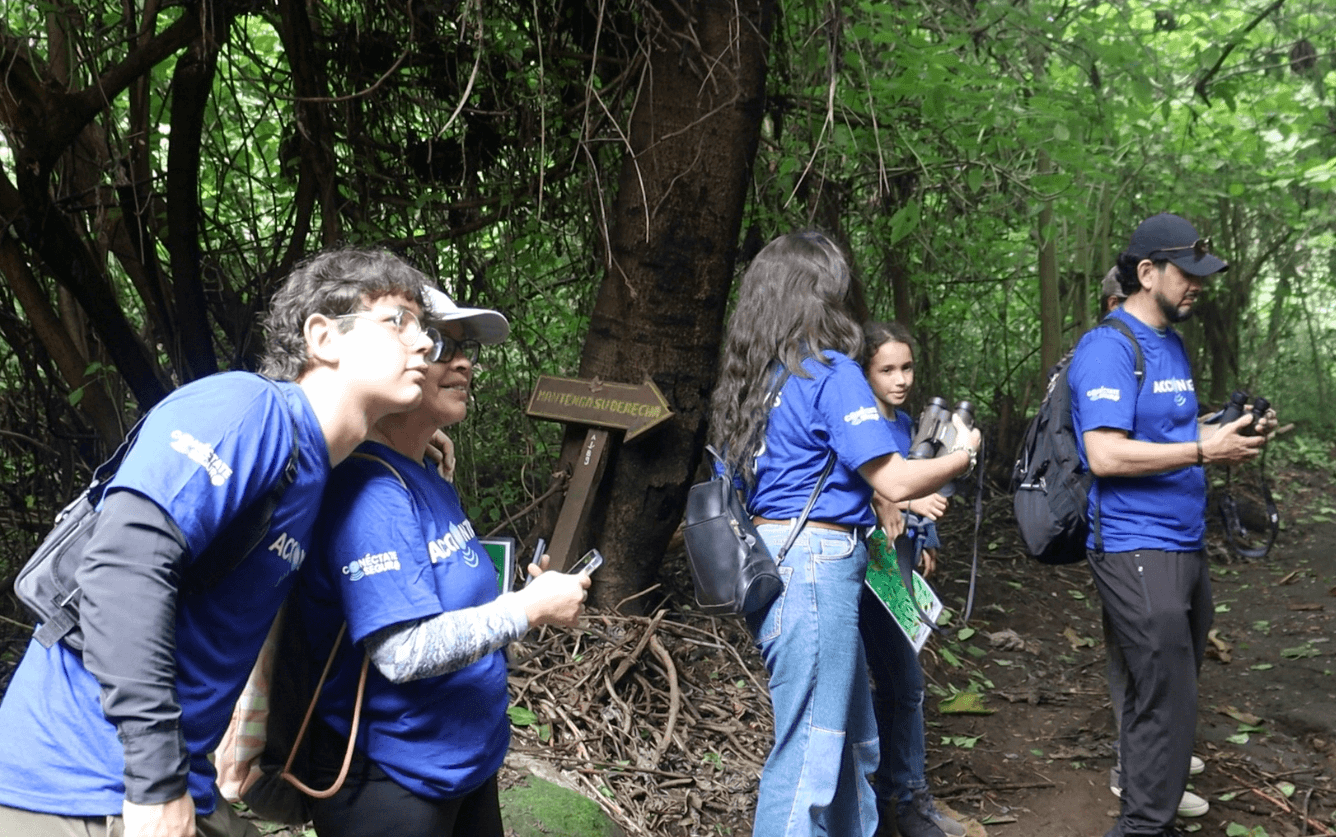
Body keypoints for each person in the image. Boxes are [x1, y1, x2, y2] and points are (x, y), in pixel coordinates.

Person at [0, 248, 439, 837]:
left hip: (181, 779)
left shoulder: (316, 468)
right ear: (322, 338)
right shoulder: (247, 410)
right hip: (85, 785)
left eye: (425, 329)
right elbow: (121, 566)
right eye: (398, 321)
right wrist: (156, 784)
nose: (424, 344)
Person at [707, 231, 981, 837]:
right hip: (815, 571)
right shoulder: (829, 372)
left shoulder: (756, 381)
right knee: (809, 755)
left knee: (856, 739)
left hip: (770, 563)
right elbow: (898, 478)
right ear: (823, 295)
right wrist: (961, 457)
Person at [292, 287, 590, 837]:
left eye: (467, 348)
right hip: (394, 783)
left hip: (465, 768)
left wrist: (531, 610)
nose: (463, 362)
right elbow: (402, 653)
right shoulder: (368, 494)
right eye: (442, 346)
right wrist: (525, 608)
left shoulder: (425, 474)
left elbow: (461, 611)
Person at [1069, 213, 1273, 837]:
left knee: (1160, 690)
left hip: (1183, 542)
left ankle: (1146, 802)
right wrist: (1204, 451)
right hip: (1136, 542)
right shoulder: (1108, 347)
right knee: (1166, 698)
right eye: (1188, 275)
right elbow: (1105, 454)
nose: (1199, 286)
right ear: (1147, 271)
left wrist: (1229, 432)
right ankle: (1142, 826)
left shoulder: (1173, 345)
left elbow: (1177, 434)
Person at [857, 321, 965, 837]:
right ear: (865, 371)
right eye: (887, 369)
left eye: (907, 367)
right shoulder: (857, 425)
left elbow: (920, 490)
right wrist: (890, 498)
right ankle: (906, 800)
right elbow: (861, 488)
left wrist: (928, 545)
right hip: (865, 574)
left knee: (897, 686)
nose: (900, 379)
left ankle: (889, 798)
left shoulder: (905, 427)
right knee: (905, 685)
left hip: (898, 570)